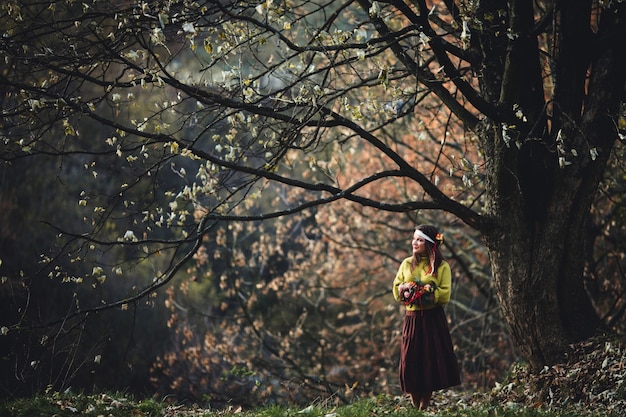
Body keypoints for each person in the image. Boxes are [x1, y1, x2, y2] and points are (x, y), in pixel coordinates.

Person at [392, 224, 461, 410]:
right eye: (414, 238)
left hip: (432, 320)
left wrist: (426, 293)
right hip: (412, 319)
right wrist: (405, 290)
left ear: (430, 243)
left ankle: (424, 406)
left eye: (419, 240)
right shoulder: (406, 263)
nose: (414, 242)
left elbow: (445, 294)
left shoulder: (442, 266)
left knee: (430, 358)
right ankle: (415, 404)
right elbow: (396, 288)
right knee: (411, 360)